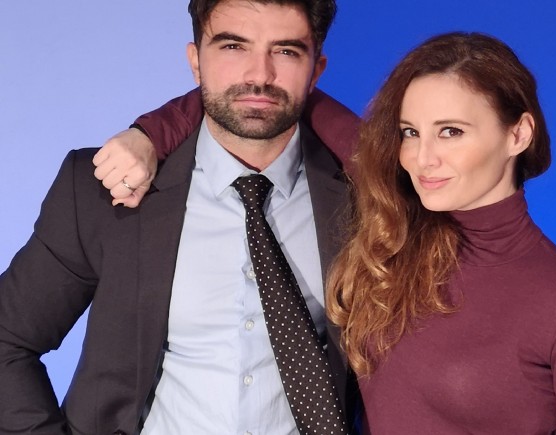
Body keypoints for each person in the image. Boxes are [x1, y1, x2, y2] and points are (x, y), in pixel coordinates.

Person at [110, 32, 556, 434]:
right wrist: (149, 135)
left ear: (519, 133)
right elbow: (271, 97)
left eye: (451, 132)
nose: (423, 158)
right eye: (410, 132)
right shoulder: (396, 220)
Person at [0, 0, 362, 434]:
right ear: (195, 61)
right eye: (233, 47)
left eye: (286, 51)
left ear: (316, 69)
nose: (259, 75)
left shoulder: (367, 201)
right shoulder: (100, 191)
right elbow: (8, 338)